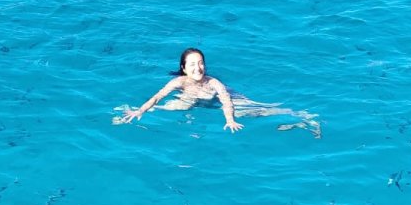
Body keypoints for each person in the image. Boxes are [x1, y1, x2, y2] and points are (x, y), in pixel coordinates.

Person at [115, 48, 319, 136]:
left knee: (259, 110)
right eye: (193, 64)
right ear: (184, 68)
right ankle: (131, 112)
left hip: (226, 101)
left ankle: (300, 115)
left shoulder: (213, 82)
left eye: (201, 63)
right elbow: (158, 96)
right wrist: (141, 110)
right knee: (172, 106)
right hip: (196, 99)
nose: (198, 68)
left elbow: (227, 100)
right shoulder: (179, 82)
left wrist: (229, 119)